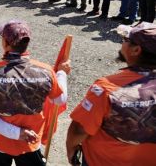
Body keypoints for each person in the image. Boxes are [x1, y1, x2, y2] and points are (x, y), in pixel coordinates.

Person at [0, 20, 69, 166]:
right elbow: (60, 100)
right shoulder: (46, 71)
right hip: (30, 141)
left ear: (5, 42)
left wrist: (16, 133)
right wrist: (62, 73)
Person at [66, 22, 156, 166]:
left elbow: (79, 129)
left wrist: (70, 149)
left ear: (136, 50)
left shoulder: (106, 88)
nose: (122, 43)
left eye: (126, 40)